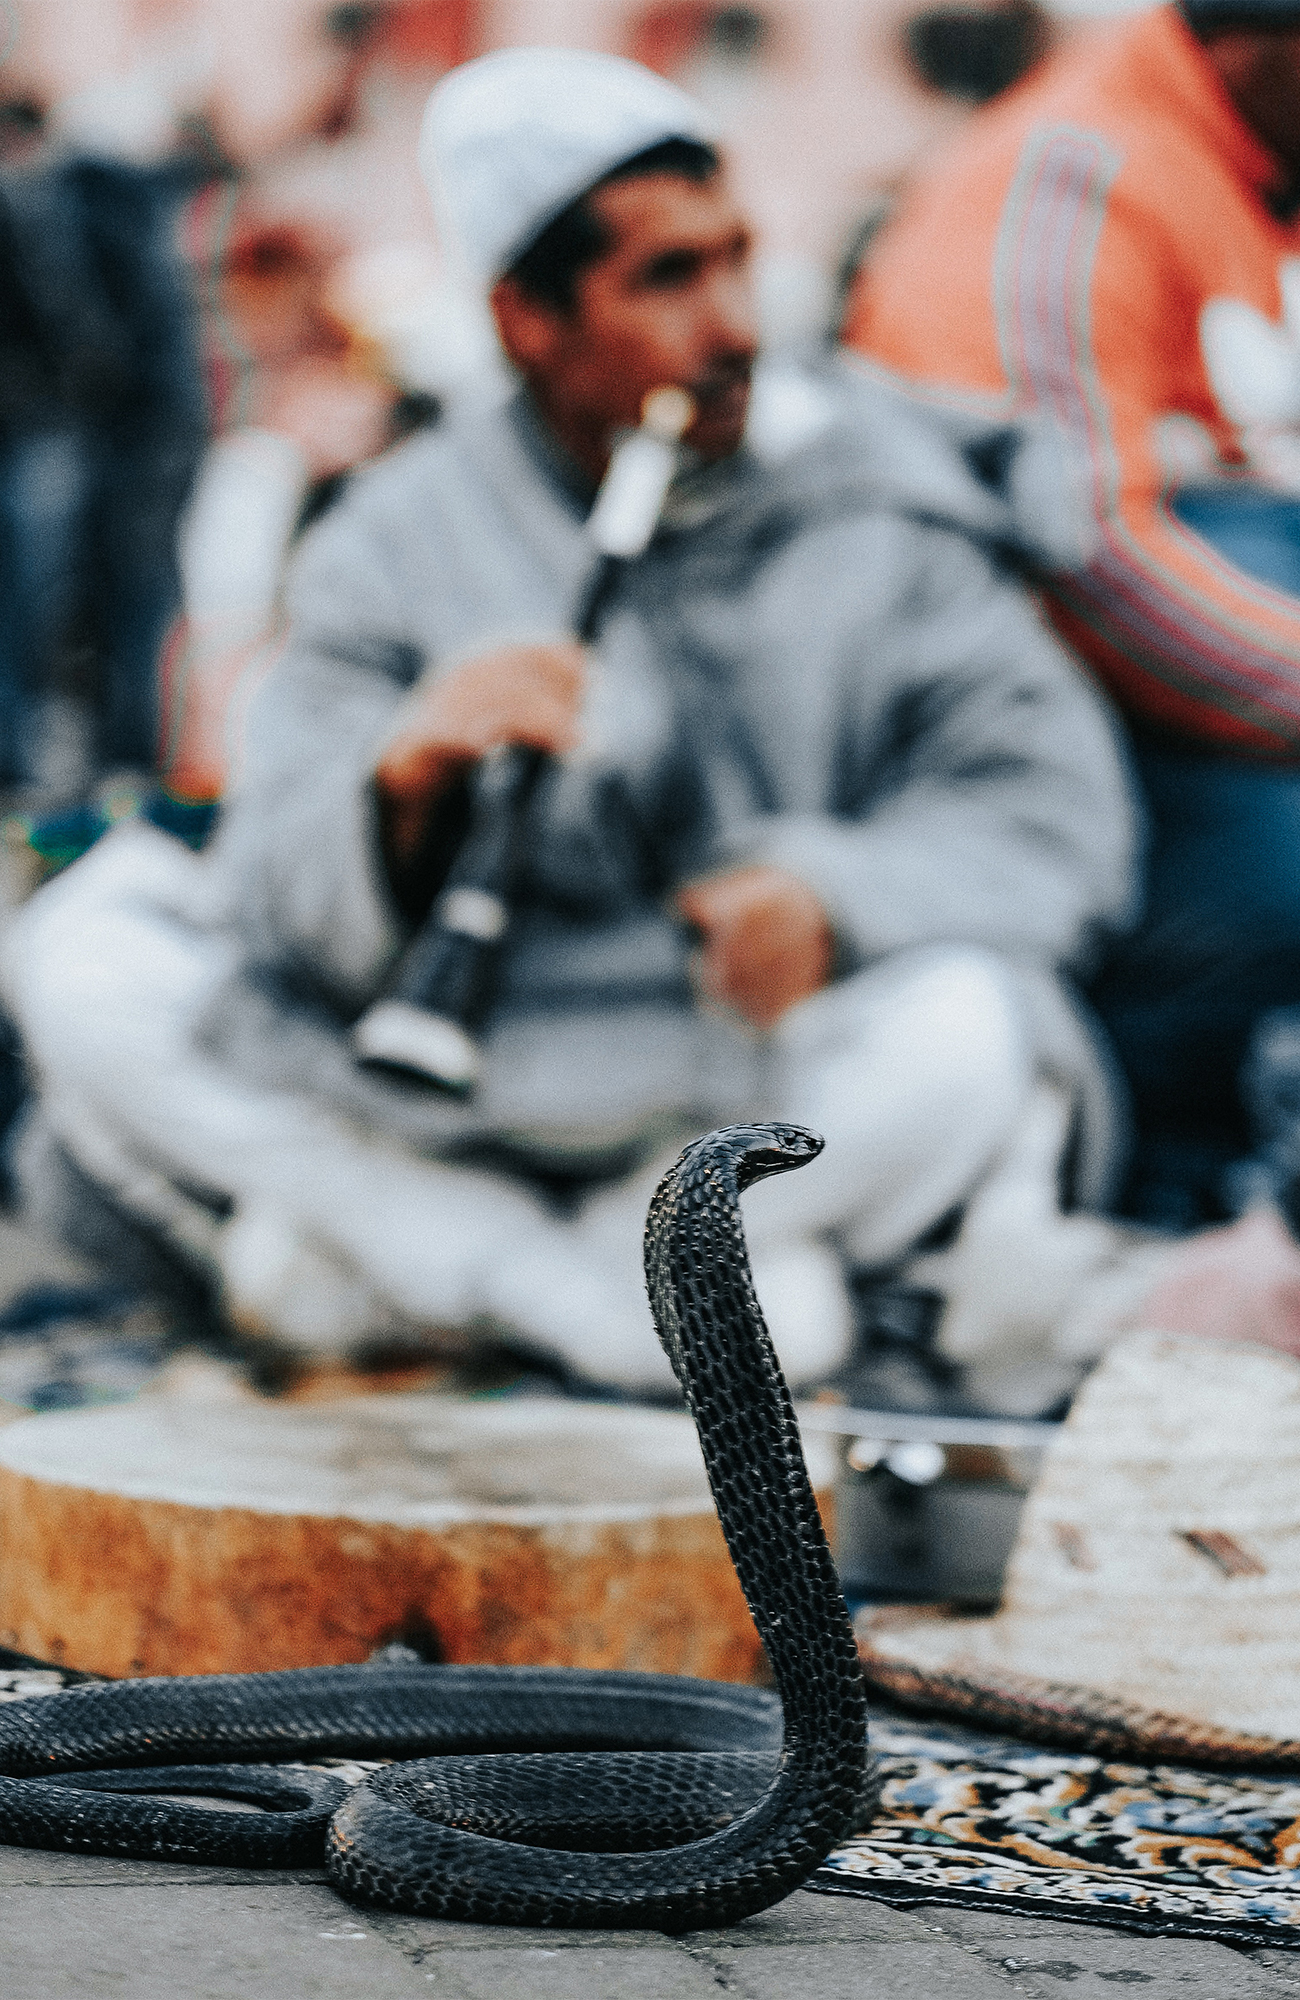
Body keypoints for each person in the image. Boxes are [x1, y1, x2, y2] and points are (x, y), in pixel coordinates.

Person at [2, 47, 1135, 1395]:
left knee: (971, 1024)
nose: (731, 325)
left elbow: (1055, 815)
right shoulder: (394, 534)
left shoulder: (877, 503)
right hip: (445, 1104)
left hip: (736, 1080)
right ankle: (599, 1303)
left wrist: (837, 892)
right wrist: (400, 791)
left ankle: (451, 1282)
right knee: (81, 952)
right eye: (667, 278)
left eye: (734, 259)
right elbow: (271, 901)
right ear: (526, 319)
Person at [846, 0, 1300, 1240]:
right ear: (1255, 45)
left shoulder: (1249, 173)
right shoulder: (1078, 174)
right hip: (1040, 739)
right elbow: (1089, 559)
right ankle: (1147, 1223)